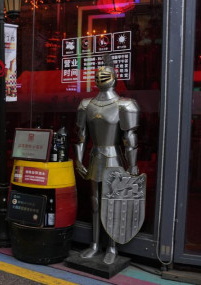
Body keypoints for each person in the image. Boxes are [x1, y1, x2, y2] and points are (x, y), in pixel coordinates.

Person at [74, 55, 140, 265]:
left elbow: (129, 138)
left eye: (107, 72)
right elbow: (82, 136)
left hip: (114, 158)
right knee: (94, 203)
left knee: (113, 203)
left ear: (115, 77)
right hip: (95, 157)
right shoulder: (86, 104)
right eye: (99, 72)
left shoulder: (125, 104)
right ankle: (94, 244)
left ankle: (111, 247)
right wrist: (78, 160)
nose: (102, 75)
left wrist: (133, 164)